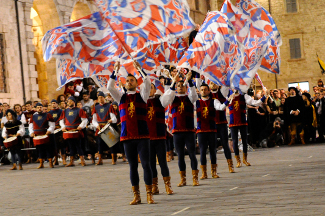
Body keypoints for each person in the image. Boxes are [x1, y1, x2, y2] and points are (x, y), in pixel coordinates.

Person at [107, 61, 155, 205]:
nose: (128, 82)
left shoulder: (143, 95)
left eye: (131, 80)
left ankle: (149, 194)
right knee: (132, 166)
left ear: (135, 82)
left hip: (142, 136)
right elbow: (110, 86)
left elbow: (147, 82)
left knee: (146, 164)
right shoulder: (120, 97)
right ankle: (137, 195)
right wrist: (115, 72)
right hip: (127, 136)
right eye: (127, 81)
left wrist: (140, 69)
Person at [161, 71, 200, 187]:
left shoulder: (190, 98)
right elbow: (167, 95)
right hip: (177, 131)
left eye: (182, 85)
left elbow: (194, 94)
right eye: (179, 86)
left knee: (192, 154)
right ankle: (183, 179)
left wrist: (189, 81)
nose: (180, 87)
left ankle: (195, 178)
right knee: (180, 156)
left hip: (189, 131)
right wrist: (173, 82)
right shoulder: (173, 99)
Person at [216, 89, 266, 167]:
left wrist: (264, 96)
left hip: (242, 122)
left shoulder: (244, 96)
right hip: (233, 122)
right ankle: (238, 161)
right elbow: (221, 104)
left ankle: (245, 159)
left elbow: (255, 103)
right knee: (235, 142)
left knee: (244, 141)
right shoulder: (228, 95)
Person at [147, 83, 173, 195]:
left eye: (151, 88)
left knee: (163, 162)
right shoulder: (142, 101)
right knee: (151, 163)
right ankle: (154, 186)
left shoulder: (160, 100)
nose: (149, 90)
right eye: (147, 88)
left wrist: (170, 83)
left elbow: (168, 95)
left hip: (160, 136)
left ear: (154, 90)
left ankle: (168, 186)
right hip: (147, 138)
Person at [195, 83, 220, 179]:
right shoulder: (196, 102)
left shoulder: (214, 101)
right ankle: (204, 173)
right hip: (201, 130)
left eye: (205, 89)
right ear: (199, 91)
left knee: (213, 151)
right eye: (201, 89)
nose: (203, 91)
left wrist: (227, 101)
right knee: (202, 151)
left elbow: (221, 108)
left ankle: (214, 171)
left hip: (212, 130)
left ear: (209, 91)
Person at [59, 96, 88, 167]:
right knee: (71, 147)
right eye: (68, 101)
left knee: (78, 146)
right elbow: (61, 120)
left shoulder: (79, 110)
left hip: (76, 131)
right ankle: (72, 161)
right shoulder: (65, 111)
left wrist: (81, 126)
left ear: (74, 102)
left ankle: (82, 160)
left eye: (70, 101)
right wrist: (63, 127)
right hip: (68, 131)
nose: (69, 102)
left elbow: (84, 119)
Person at [91, 91, 117, 165]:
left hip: (108, 126)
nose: (100, 99)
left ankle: (113, 159)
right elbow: (94, 119)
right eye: (99, 98)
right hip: (100, 128)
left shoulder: (109, 106)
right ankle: (100, 159)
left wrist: (111, 120)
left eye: (102, 97)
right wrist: (97, 125)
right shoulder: (96, 107)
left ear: (104, 98)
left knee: (111, 143)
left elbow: (114, 117)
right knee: (99, 143)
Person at [29, 103, 55, 169]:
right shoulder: (33, 116)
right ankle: (41, 163)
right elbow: (30, 126)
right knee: (39, 150)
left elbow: (52, 124)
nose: (39, 108)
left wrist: (49, 130)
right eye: (38, 107)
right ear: (36, 108)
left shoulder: (47, 115)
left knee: (48, 149)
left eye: (40, 107)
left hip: (45, 134)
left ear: (42, 108)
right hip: (37, 135)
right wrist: (31, 132)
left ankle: (50, 163)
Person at [49, 99, 65, 165]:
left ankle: (64, 159)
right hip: (53, 130)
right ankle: (56, 159)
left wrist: (57, 125)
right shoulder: (49, 112)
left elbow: (61, 119)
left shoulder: (61, 111)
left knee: (62, 144)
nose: (53, 104)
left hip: (59, 129)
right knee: (54, 145)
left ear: (57, 104)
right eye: (52, 103)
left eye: (54, 103)